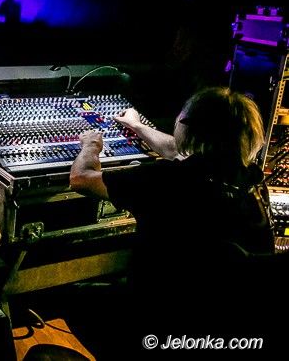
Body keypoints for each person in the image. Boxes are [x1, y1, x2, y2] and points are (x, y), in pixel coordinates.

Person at [69, 87, 274, 349]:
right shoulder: (254, 181)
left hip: (161, 318)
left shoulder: (166, 180)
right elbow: (176, 150)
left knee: (69, 298)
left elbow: (81, 179)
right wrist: (137, 126)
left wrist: (91, 145)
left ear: (188, 127)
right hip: (228, 327)